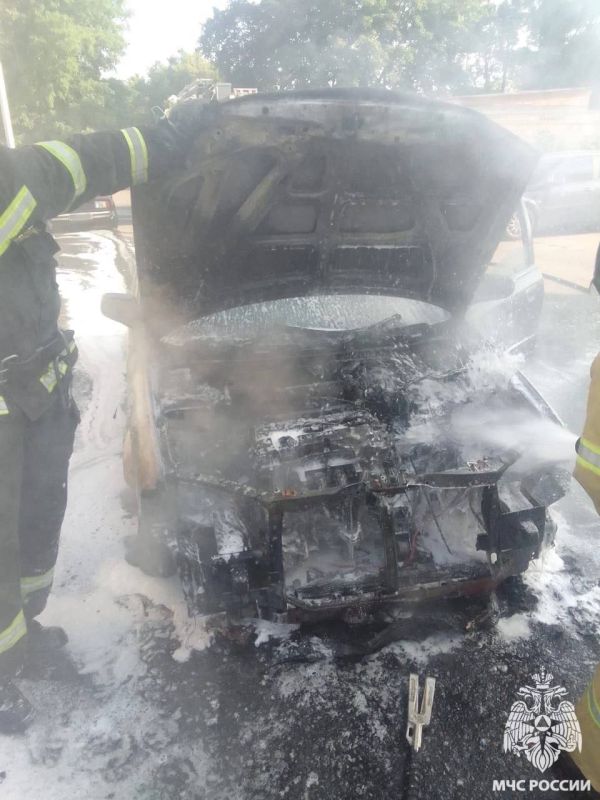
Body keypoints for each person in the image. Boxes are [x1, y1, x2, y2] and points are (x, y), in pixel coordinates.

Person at [0, 104, 208, 733]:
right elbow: (81, 163)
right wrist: (168, 138)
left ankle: (20, 639)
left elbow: (76, 165)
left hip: (31, 396)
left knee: (34, 531)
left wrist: (169, 140)